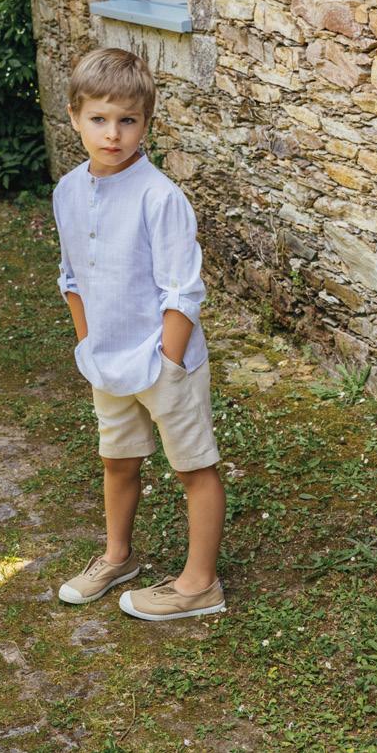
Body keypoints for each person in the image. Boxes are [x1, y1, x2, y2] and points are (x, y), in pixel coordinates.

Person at [51, 47, 226, 622]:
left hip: (162, 362)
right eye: (99, 119)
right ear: (75, 116)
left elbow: (182, 290)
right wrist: (88, 344)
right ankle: (117, 556)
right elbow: (72, 277)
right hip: (106, 358)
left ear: (146, 122)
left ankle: (199, 585)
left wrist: (168, 364)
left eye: (128, 120)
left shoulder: (160, 197)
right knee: (118, 459)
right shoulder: (68, 191)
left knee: (193, 467)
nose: (113, 134)